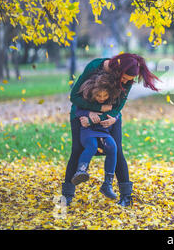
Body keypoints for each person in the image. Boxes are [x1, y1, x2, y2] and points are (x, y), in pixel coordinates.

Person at [61, 53, 160, 207]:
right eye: (124, 78)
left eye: (129, 80)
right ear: (118, 69)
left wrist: (110, 117)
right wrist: (93, 111)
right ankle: (66, 195)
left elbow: (118, 106)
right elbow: (74, 96)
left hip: (109, 118)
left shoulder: (126, 80)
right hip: (81, 114)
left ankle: (126, 196)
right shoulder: (95, 66)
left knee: (117, 150)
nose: (125, 82)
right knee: (77, 150)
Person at [71, 71, 122, 200]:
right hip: (88, 131)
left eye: (105, 95)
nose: (102, 98)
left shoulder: (111, 102)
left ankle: (107, 184)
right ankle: (81, 170)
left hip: (104, 132)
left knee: (112, 147)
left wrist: (113, 119)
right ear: (93, 92)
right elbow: (78, 110)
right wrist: (87, 113)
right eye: (99, 95)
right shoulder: (86, 100)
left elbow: (117, 112)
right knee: (92, 146)